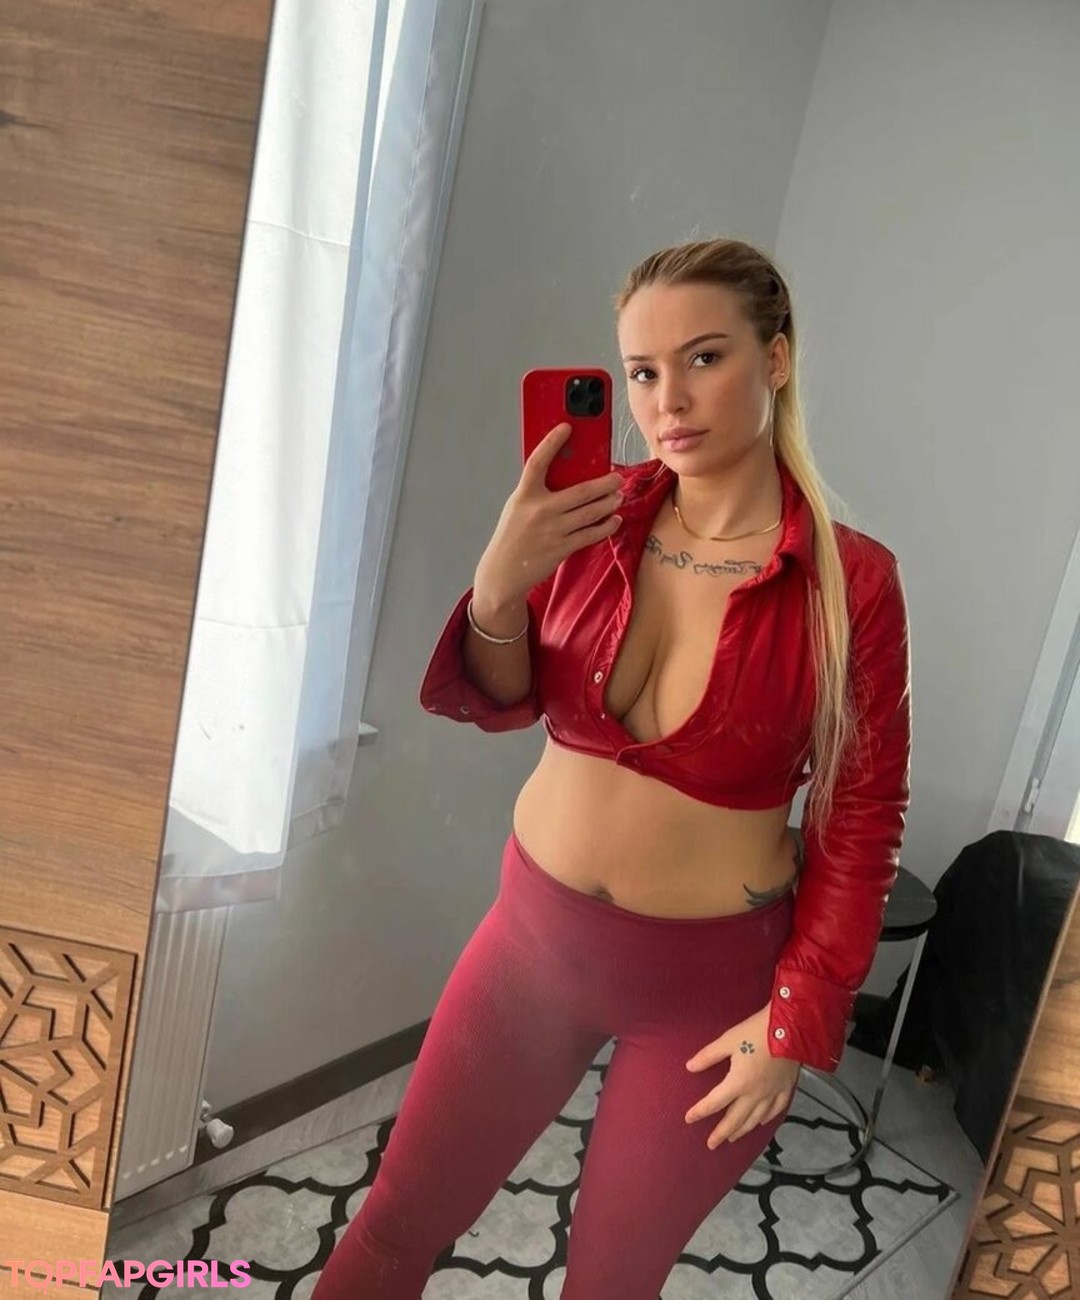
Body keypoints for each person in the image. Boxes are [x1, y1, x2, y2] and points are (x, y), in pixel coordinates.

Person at [310, 238, 912, 1298]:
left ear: (776, 359)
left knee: (610, 1285)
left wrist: (799, 1020)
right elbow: (506, 696)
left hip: (707, 996)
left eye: (704, 358)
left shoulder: (851, 582)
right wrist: (499, 588)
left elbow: (862, 815)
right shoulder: (594, 514)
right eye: (641, 371)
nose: (665, 400)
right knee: (394, 1228)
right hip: (530, 944)